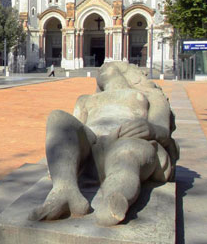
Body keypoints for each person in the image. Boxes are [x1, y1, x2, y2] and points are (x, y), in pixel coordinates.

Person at [30, 61, 178, 226]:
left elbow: (163, 130)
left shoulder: (150, 96)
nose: (103, 68)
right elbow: (74, 131)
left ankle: (115, 198)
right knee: (57, 118)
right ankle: (64, 190)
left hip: (128, 140)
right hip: (92, 147)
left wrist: (152, 129)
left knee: (126, 154)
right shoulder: (86, 99)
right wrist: (63, 161)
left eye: (109, 65)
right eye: (100, 68)